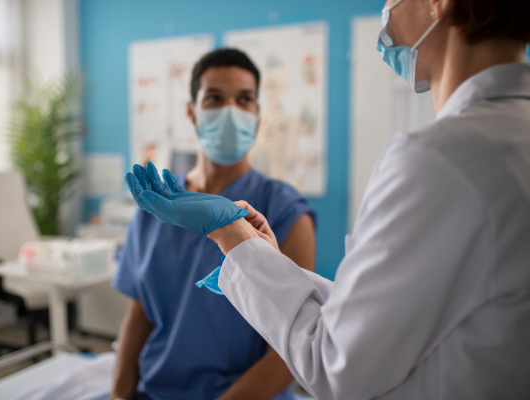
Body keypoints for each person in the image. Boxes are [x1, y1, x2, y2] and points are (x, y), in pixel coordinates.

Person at [124, 0, 530, 398]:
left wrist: (231, 235)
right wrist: (263, 258)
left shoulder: (439, 158)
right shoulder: (507, 137)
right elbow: (378, 318)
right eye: (214, 98)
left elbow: (338, 366)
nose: (387, 9)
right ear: (191, 110)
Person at [110, 49, 317, 400]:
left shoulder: (283, 211)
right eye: (215, 98)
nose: (230, 111)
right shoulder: (159, 202)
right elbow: (140, 313)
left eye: (244, 99)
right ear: (191, 111)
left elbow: (289, 350)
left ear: (257, 113)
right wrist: (119, 395)